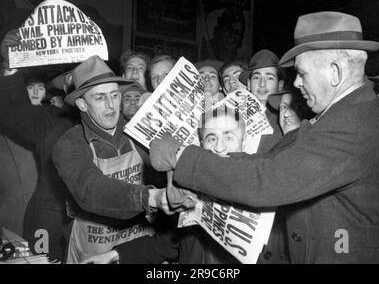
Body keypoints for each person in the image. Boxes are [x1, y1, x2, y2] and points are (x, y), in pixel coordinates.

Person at [149, 11, 379, 263]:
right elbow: (271, 159)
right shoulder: (341, 115)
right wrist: (198, 184)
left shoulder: (353, 123)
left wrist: (181, 156)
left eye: (302, 73)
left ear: (335, 72)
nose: (295, 83)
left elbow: (268, 180)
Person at [81, 107, 245, 264]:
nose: (219, 147)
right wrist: (115, 255)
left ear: (243, 141)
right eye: (211, 138)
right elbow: (170, 242)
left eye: (228, 136)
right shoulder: (192, 191)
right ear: (201, 145)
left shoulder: (261, 192)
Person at [52, 56, 172, 264]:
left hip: (137, 247)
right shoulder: (69, 144)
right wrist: (149, 197)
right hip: (93, 251)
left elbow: (167, 166)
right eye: (99, 98)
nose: (110, 105)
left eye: (114, 95)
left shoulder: (138, 131)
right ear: (82, 104)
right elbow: (91, 189)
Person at [0, 29, 78, 261]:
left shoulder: (108, 121)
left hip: (92, 225)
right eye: (73, 83)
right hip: (49, 218)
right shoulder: (50, 118)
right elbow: (17, 111)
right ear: (64, 90)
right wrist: (10, 64)